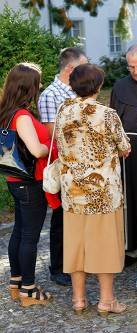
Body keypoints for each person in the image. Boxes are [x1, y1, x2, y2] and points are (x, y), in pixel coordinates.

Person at [56, 64, 131, 314]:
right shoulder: (107, 114)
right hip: (103, 192)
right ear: (98, 86)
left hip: (72, 192)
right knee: (105, 243)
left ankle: (78, 299)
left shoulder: (63, 111)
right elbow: (124, 147)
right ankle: (106, 300)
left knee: (76, 244)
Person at [1, 63, 52, 306]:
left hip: (14, 179)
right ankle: (29, 291)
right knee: (30, 237)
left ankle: (16, 282)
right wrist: (52, 146)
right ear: (27, 87)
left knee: (19, 232)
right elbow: (36, 150)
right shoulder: (21, 116)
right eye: (37, 83)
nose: (39, 87)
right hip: (30, 183)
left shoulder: (5, 112)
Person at [38, 47, 88, 286]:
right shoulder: (51, 95)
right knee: (60, 218)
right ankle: (57, 267)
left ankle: (77, 261)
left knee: (77, 216)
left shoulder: (77, 91)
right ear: (71, 69)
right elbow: (52, 134)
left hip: (82, 162)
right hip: (63, 163)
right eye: (84, 65)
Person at [110, 44, 137, 261]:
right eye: (132, 67)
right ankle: (132, 245)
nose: (136, 71)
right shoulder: (120, 86)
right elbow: (113, 120)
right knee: (130, 198)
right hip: (128, 153)